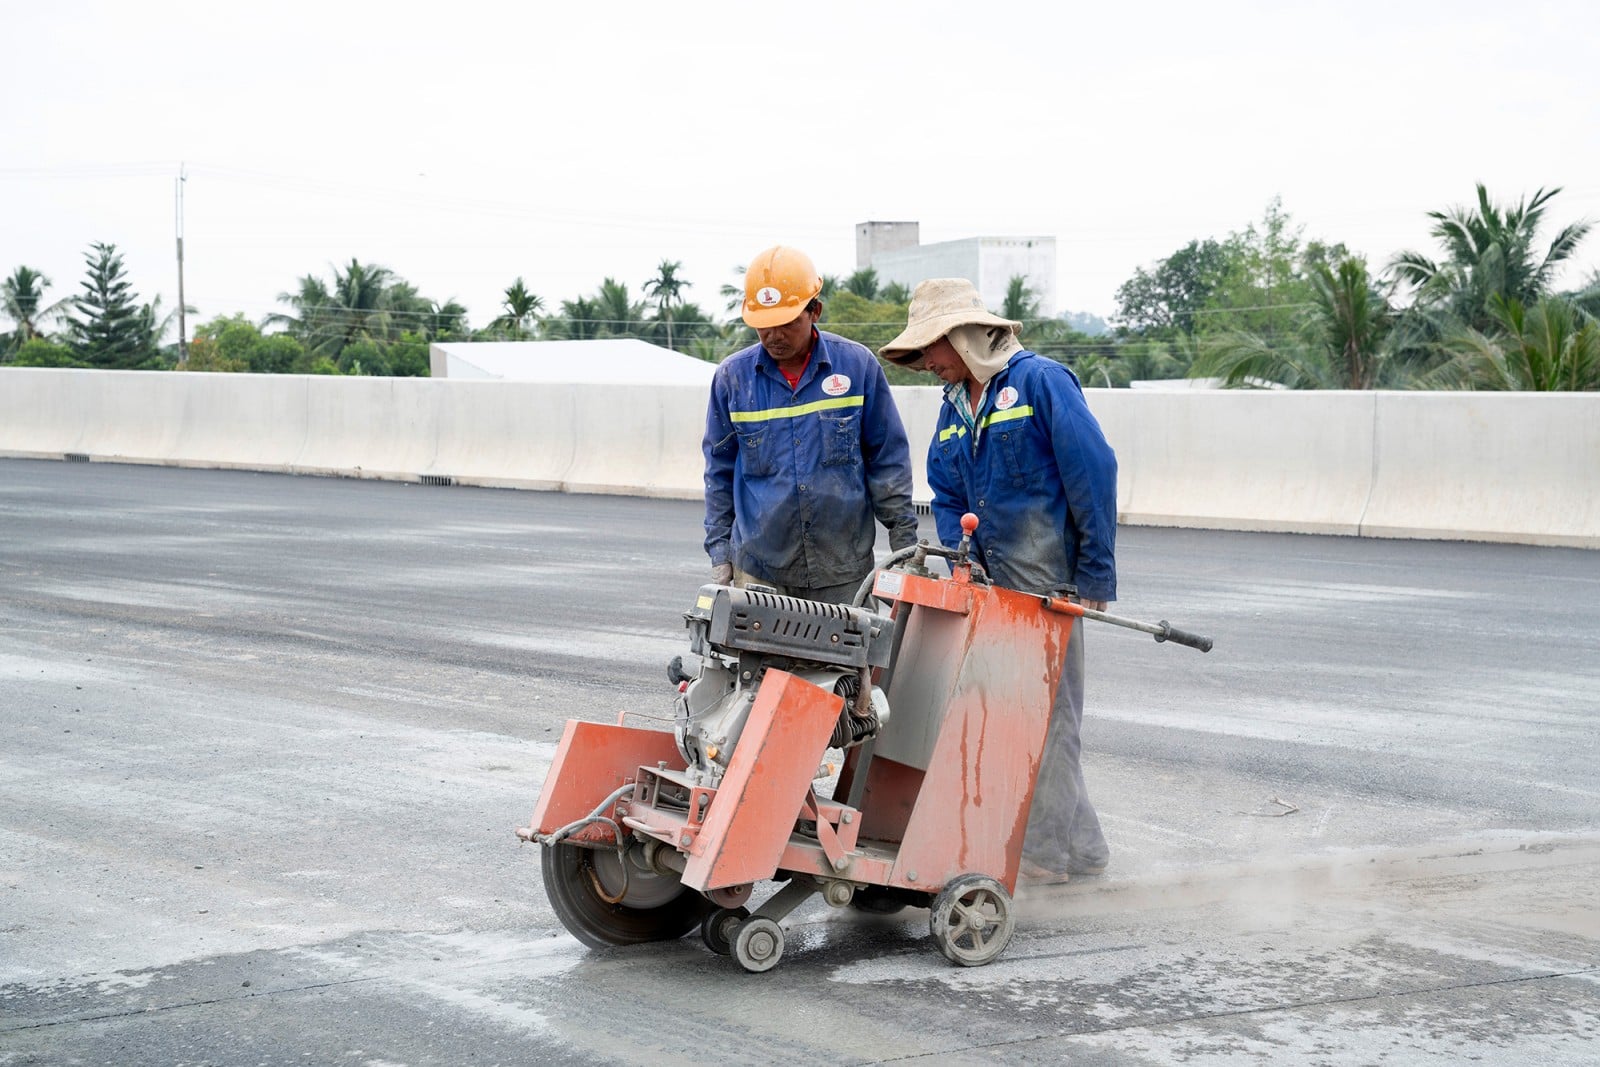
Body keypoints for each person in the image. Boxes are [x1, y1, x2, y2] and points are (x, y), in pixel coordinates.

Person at [879, 277, 1118, 884]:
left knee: (1049, 718)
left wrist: (1095, 570)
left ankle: (1043, 855)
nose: (926, 362)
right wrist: (965, 568)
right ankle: (1084, 847)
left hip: (1049, 586)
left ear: (961, 335)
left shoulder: (1040, 383)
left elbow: (1093, 472)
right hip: (989, 586)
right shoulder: (952, 408)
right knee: (1013, 714)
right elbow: (946, 491)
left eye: (930, 348)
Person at [702, 246, 920, 603]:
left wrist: (904, 546)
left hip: (844, 571)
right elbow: (719, 473)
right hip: (760, 570)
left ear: (814, 310)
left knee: (849, 642)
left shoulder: (857, 367)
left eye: (787, 323)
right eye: (764, 326)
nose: (774, 336)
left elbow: (887, 461)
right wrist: (720, 553)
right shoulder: (732, 379)